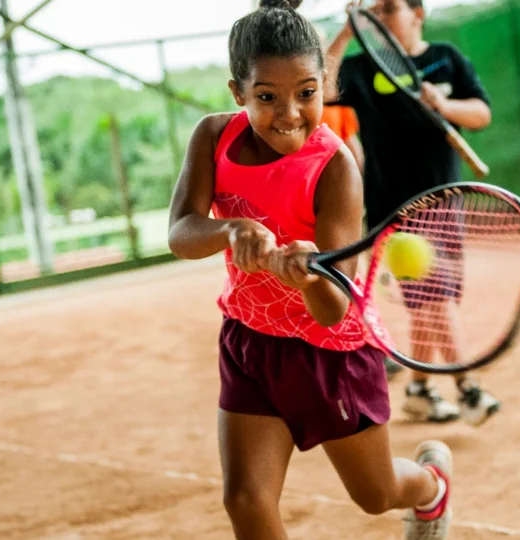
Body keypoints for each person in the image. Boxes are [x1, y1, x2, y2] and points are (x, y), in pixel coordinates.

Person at [167, 1, 454, 538]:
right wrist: (231, 230)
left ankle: (431, 487)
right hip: (251, 340)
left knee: (376, 495)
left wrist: (308, 275)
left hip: (330, 355)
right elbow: (181, 232)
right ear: (237, 93)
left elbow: (332, 310)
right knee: (246, 500)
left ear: (326, 84)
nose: (290, 113)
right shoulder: (212, 137)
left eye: (306, 93)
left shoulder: (335, 167)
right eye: (266, 97)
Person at [323, 0, 500, 426]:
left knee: (431, 302)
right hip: (395, 210)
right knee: (434, 297)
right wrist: (347, 31)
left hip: (445, 201)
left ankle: (419, 390)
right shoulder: (362, 68)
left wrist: (444, 105)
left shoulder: (446, 58)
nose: (381, 17)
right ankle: (467, 387)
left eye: (390, 9)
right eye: (376, 11)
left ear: (418, 13)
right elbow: (323, 88)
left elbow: (481, 113)